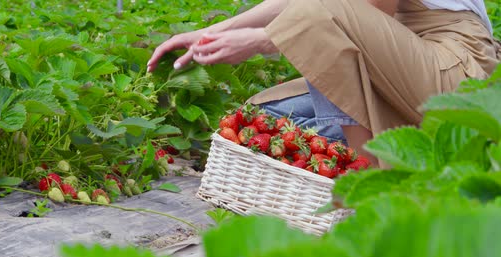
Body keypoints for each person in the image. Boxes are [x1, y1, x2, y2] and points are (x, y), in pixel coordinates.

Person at [147, 0, 500, 167]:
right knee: (264, 114)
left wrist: (263, 40)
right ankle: (368, 150)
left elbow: (336, 15)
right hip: (404, 64)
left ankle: (365, 178)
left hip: (455, 73)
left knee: (319, 25)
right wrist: (209, 34)